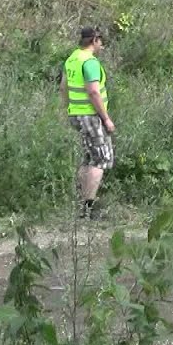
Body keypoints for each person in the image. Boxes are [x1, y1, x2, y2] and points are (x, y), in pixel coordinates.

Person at [61, 26, 115, 220]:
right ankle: (87, 208)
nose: (102, 45)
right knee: (100, 159)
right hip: (91, 116)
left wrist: (69, 109)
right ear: (94, 41)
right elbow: (93, 92)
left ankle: (82, 204)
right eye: (101, 41)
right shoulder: (90, 62)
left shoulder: (72, 59)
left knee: (87, 158)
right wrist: (106, 118)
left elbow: (63, 87)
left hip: (77, 114)